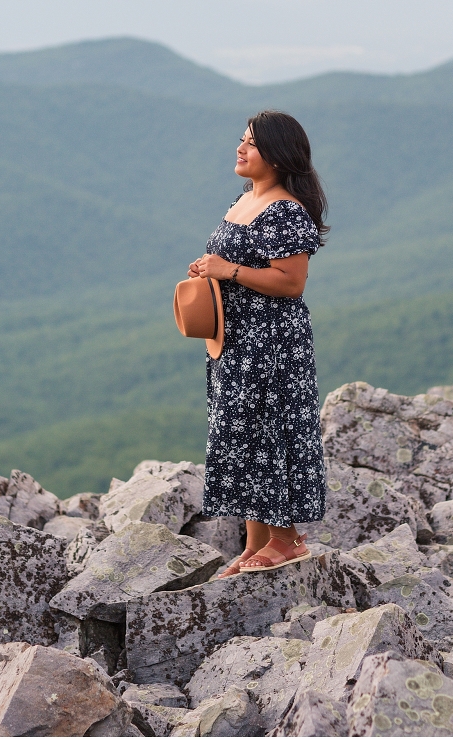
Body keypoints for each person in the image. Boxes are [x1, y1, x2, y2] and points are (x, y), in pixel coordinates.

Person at [188, 110, 329, 574]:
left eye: (252, 143)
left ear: (279, 155)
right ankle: (254, 544)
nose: (241, 147)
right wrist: (210, 268)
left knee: (270, 432)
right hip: (235, 342)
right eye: (242, 139)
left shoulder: (285, 209)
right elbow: (237, 260)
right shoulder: (245, 198)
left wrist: (228, 270)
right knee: (242, 433)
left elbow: (291, 282)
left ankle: (285, 541)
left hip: (271, 344)